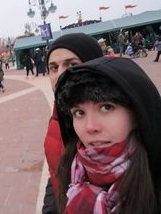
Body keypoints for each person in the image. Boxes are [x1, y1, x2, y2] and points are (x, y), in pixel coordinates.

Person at [54, 57, 161, 213]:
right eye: (79, 113)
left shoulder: (154, 178)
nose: (91, 127)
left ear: (137, 113)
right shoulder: (69, 168)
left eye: (106, 107)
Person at [42, 33, 103, 214]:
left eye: (71, 64)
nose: (61, 74)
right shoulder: (57, 115)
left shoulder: (118, 116)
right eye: (53, 67)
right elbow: (56, 172)